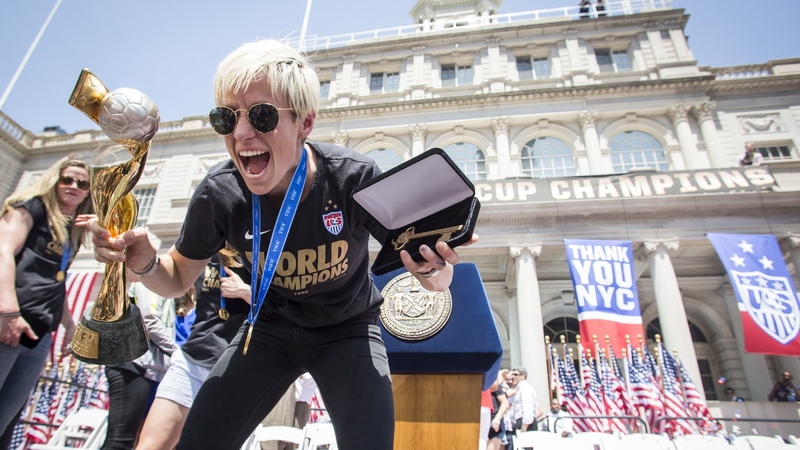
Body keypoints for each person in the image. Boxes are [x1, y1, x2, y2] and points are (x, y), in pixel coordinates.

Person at [86, 38, 475, 450]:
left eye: (262, 115)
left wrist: (436, 271)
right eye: (226, 118)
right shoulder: (220, 192)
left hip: (348, 329)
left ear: (305, 123)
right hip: (267, 329)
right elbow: (177, 278)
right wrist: (146, 263)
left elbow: (429, 269)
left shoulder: (352, 178)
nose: (241, 133)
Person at [0, 156, 93, 438]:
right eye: (67, 179)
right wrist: (9, 311)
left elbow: (57, 280)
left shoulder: (72, 231)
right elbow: (3, 252)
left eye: (82, 183)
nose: (74, 186)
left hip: (39, 333)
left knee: (6, 420)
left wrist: (69, 325)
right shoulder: (31, 207)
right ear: (55, 180)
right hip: (9, 323)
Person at [135, 248, 250, 450]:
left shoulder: (263, 243)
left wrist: (247, 292)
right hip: (192, 359)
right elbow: (164, 272)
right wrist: (139, 257)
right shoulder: (204, 241)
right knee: (150, 445)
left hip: (234, 369)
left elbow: (287, 306)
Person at [101, 279, 178, 450]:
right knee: (120, 439)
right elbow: (149, 320)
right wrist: (177, 352)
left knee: (130, 437)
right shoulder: (152, 281)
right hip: (132, 364)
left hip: (144, 367)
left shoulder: (163, 287)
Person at [509, 367, 537, 432]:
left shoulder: (524, 387)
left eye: (515, 375)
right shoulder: (519, 388)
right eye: (512, 375)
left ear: (523, 376)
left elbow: (528, 407)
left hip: (525, 423)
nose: (513, 377)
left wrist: (524, 427)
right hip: (521, 422)